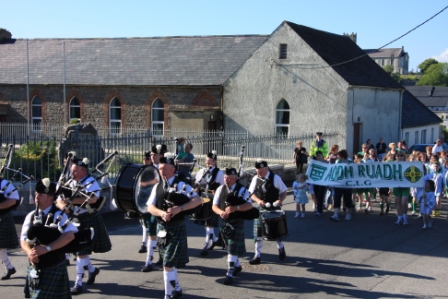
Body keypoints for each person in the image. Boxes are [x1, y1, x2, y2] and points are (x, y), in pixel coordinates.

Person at [146, 152, 202, 299]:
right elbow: (149, 207)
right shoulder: (157, 186)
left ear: (173, 170)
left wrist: (180, 208)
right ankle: (177, 288)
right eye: (160, 168)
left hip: (176, 227)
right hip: (162, 228)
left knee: (167, 263)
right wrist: (161, 213)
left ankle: (167, 295)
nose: (161, 171)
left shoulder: (181, 185)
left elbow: (198, 200)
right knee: (168, 262)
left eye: (165, 168)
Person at [56, 156, 112, 295]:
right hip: (74, 218)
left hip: (88, 218)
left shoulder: (90, 182)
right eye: (71, 170)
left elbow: (94, 198)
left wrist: (72, 200)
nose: (72, 173)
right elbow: (59, 197)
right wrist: (63, 205)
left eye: (75, 171)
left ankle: (78, 284)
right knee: (80, 251)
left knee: (81, 253)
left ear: (83, 171)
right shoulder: (70, 181)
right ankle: (92, 270)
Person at [20, 179, 78, 299]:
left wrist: (47, 248)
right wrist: (29, 253)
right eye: (36, 194)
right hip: (35, 267)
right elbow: (23, 239)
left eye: (41, 195)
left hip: (53, 264)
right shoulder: (30, 216)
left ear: (51, 198)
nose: (36, 197)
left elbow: (70, 235)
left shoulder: (59, 215)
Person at [212, 167, 253, 285]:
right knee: (229, 247)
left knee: (231, 248)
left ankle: (229, 273)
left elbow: (249, 205)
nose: (227, 180)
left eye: (229, 178)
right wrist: (221, 212)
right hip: (224, 222)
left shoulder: (242, 190)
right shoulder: (220, 189)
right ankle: (237, 265)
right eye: (225, 177)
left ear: (235, 178)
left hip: (237, 222)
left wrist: (236, 208)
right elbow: (214, 206)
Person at [248, 159, 287, 265]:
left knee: (275, 232)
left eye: (260, 170)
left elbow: (284, 191)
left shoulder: (275, 178)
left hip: (273, 208)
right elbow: (251, 193)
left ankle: (281, 246)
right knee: (258, 233)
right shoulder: (255, 179)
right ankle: (257, 256)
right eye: (257, 170)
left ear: (266, 169)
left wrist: (280, 200)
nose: (258, 172)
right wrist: (258, 201)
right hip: (260, 209)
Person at [140, 144, 167, 272]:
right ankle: (148, 261)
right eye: (151, 154)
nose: (152, 156)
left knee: (162, 233)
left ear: (161, 155)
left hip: (161, 205)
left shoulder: (164, 168)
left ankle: (162, 257)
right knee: (151, 232)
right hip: (150, 205)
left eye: (155, 154)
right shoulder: (148, 169)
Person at [194, 151, 225, 256]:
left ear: (215, 161)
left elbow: (224, 187)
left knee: (209, 223)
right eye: (207, 160)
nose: (208, 162)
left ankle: (206, 244)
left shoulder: (219, 173)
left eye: (210, 160)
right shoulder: (203, 171)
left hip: (213, 200)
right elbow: (197, 184)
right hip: (203, 198)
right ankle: (215, 240)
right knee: (205, 222)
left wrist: (218, 192)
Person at [0, 175, 21, 280]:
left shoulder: (3, 183)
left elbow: (13, 200)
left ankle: (9, 267)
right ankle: (10, 268)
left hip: (2, 217)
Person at [330, 150, 353, 221]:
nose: (337, 156)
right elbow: (334, 171)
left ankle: (348, 214)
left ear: (342, 156)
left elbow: (353, 171)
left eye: (339, 155)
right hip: (338, 184)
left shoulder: (350, 161)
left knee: (347, 199)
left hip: (347, 184)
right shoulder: (338, 162)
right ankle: (336, 214)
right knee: (337, 199)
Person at [393, 152, 411, 226]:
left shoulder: (407, 164)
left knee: (404, 203)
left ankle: (405, 217)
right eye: (398, 155)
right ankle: (399, 218)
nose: (399, 157)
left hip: (405, 186)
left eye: (401, 155)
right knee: (398, 203)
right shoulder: (393, 164)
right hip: (396, 186)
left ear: (404, 157)